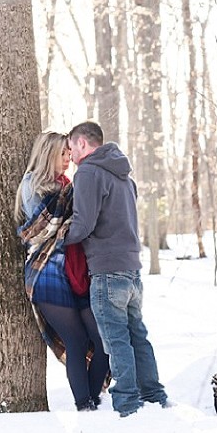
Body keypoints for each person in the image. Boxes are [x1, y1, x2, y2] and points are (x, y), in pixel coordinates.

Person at [64, 121, 171, 417]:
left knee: (115, 339)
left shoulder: (87, 173)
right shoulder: (124, 177)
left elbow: (83, 225)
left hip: (107, 271)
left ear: (83, 144)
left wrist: (58, 238)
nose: (70, 154)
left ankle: (127, 403)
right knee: (138, 335)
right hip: (132, 271)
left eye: (71, 147)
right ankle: (154, 396)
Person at [14, 131, 109, 412]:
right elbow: (41, 232)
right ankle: (85, 405)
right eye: (63, 154)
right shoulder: (33, 185)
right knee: (76, 341)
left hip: (75, 272)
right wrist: (72, 221)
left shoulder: (67, 184)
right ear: (48, 155)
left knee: (101, 338)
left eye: (70, 154)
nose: (69, 159)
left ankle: (94, 399)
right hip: (47, 271)